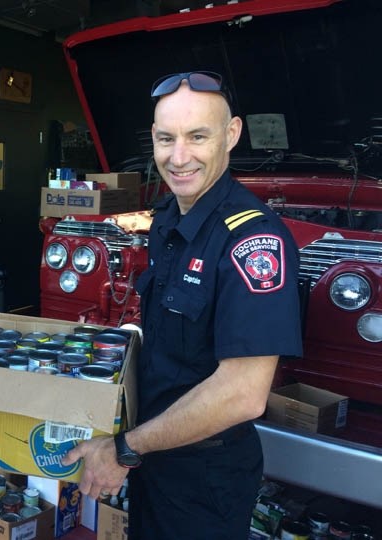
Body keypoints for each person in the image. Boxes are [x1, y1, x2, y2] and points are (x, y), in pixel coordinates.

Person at [62, 71, 303, 539]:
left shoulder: (253, 239)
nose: (179, 157)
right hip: (157, 458)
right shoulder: (169, 218)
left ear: (231, 134)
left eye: (198, 137)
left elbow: (242, 393)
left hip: (204, 477)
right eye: (166, 138)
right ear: (152, 138)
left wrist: (124, 449)